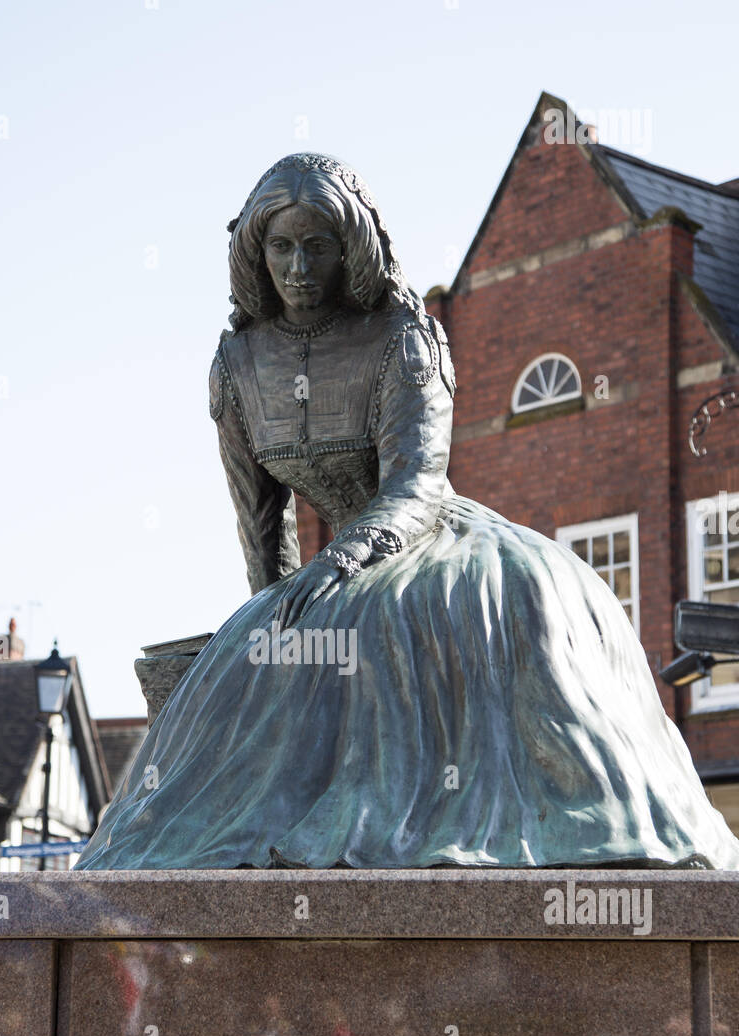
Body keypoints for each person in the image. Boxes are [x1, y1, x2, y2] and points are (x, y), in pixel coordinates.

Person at [76, 153, 739, 871]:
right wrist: (265, 630)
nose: (298, 267)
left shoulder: (404, 337)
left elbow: (415, 485)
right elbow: (261, 533)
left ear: (349, 248)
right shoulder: (236, 365)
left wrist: (337, 562)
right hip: (327, 576)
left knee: (481, 615)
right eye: (281, 247)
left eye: (317, 247)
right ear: (254, 251)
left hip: (425, 538)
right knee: (263, 653)